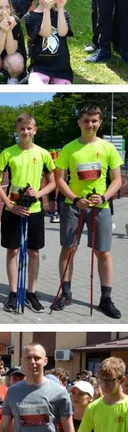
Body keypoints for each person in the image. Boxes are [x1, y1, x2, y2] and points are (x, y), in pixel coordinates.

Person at [54, 103, 124, 318]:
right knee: (68, 249)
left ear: (100, 122)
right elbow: (59, 179)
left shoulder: (108, 148)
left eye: (94, 121)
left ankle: (106, 298)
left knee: (103, 252)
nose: (90, 124)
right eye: (86, 120)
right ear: (79, 122)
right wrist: (75, 199)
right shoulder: (68, 148)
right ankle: (65, 293)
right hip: (73, 207)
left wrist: (103, 197)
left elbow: (117, 180)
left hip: (100, 207)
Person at [0, 111, 55, 312]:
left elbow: (53, 183)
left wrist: (38, 194)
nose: (25, 132)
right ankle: (13, 293)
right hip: (13, 209)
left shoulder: (43, 153)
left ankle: (31, 293)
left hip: (34, 210)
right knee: (12, 251)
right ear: (16, 131)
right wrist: (10, 205)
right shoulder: (7, 153)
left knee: (34, 252)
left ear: (35, 130)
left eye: (29, 128)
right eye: (21, 128)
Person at [23, 0, 73, 84]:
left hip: (61, 67)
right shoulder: (30, 17)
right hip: (40, 66)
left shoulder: (63, 14)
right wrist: (46, 9)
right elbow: (45, 33)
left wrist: (60, 9)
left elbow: (62, 32)